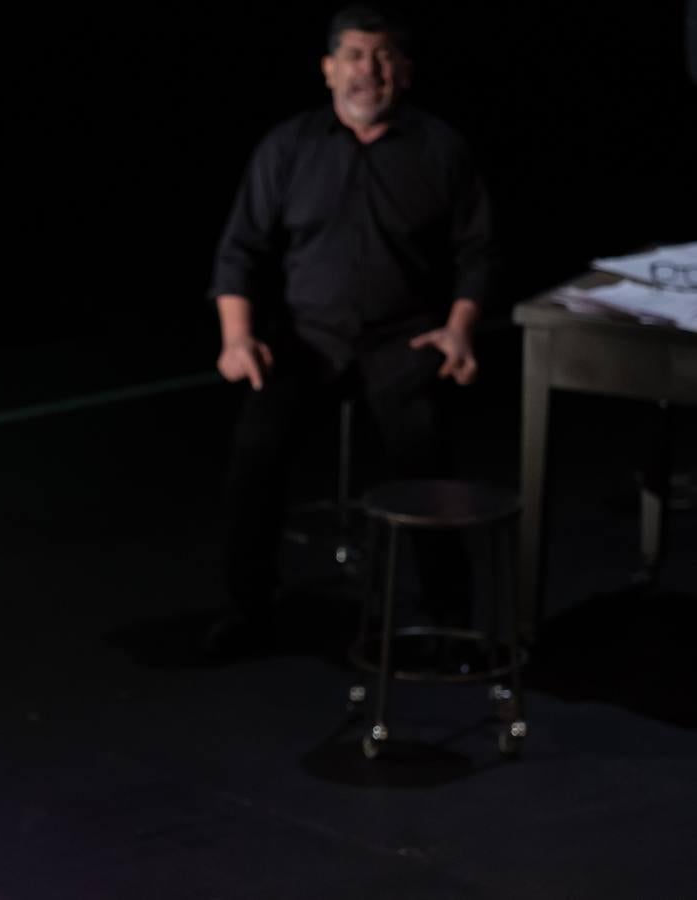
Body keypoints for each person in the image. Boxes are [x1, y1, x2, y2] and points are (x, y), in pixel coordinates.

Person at [206, 4, 493, 656]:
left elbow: (476, 251)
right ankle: (247, 610)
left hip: (403, 339)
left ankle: (447, 614)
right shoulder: (287, 146)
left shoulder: (439, 148)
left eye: (384, 56)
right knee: (255, 451)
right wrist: (236, 337)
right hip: (306, 337)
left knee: (425, 451)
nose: (369, 70)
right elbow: (239, 250)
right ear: (329, 68)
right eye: (356, 56)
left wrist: (458, 329)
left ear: (406, 71)